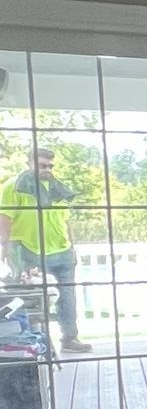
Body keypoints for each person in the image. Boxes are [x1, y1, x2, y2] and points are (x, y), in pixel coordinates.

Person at [6, 146, 89, 353]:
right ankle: (38, 344)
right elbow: (4, 219)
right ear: (29, 163)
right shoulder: (14, 186)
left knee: (68, 296)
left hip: (61, 249)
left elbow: (65, 220)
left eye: (50, 165)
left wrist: (73, 247)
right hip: (27, 249)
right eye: (42, 165)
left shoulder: (57, 188)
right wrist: (5, 248)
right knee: (32, 300)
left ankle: (70, 339)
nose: (47, 169)